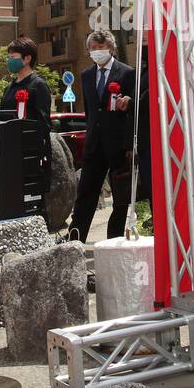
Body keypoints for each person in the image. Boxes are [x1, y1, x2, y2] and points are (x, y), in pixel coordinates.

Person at [69, 30, 136, 244]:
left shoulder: (126, 73)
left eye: (101, 47)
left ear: (111, 48)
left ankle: (113, 241)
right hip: (94, 145)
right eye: (93, 48)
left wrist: (128, 101)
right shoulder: (87, 75)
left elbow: (133, 110)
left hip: (118, 145)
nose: (97, 52)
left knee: (120, 199)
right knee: (85, 195)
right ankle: (75, 240)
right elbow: (90, 111)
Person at [0, 37, 52, 131]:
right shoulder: (9, 88)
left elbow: (43, 123)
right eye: (9, 57)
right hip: (8, 142)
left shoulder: (38, 85)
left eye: (13, 57)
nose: (9, 61)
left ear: (27, 59)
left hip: (30, 143)